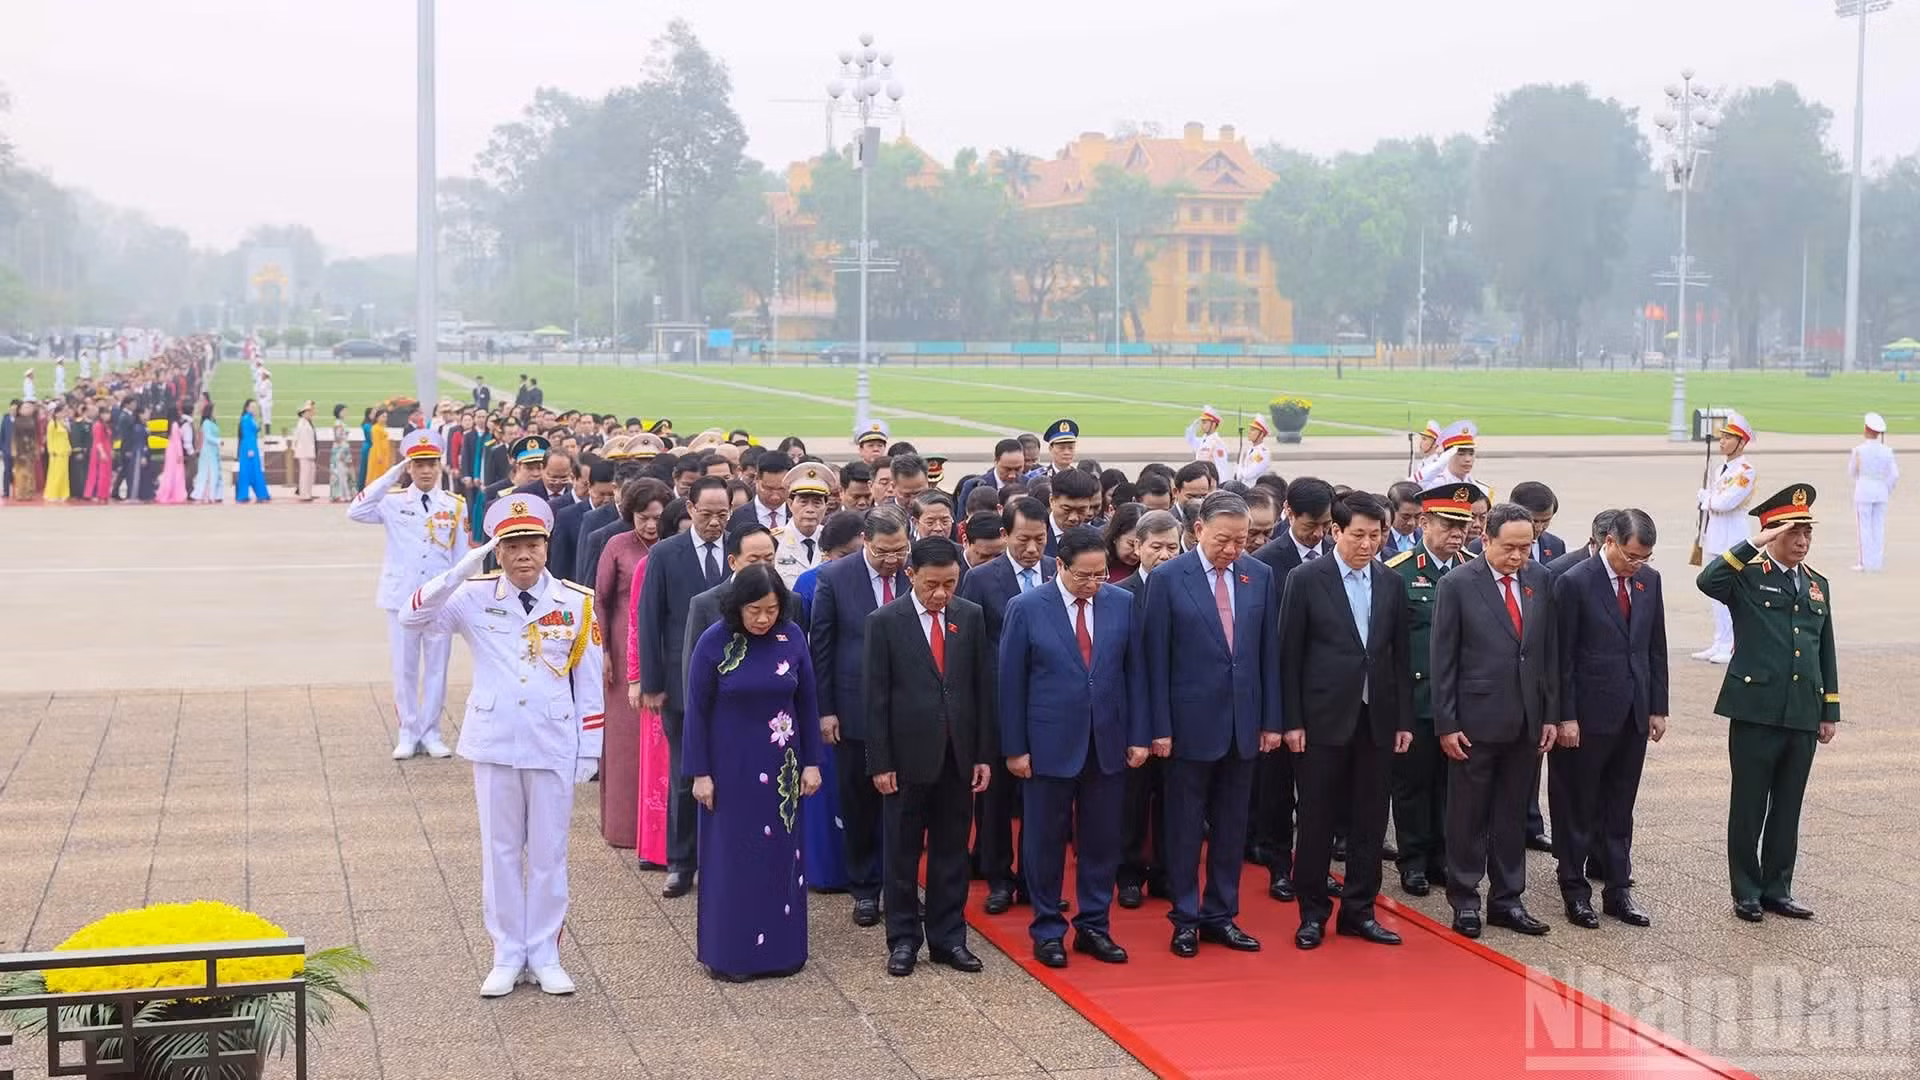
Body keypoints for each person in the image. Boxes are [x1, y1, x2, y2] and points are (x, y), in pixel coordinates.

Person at [399, 494, 603, 998]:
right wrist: (462, 566)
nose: (523, 555)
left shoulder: (576, 602)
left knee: (550, 854)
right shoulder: (473, 595)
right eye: (511, 545)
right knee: (501, 851)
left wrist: (590, 748)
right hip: (494, 741)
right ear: (498, 550)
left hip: (553, 740)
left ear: (547, 546)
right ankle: (508, 953)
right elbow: (413, 619)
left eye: (532, 543)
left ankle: (546, 953)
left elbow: (592, 681)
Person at [1000, 526, 1148, 968]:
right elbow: (1010, 683)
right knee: (1044, 841)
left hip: (1107, 740)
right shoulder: (1026, 608)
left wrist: (1139, 735)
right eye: (1084, 576)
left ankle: (1094, 926)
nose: (1094, 584)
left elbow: (1135, 674)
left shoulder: (1121, 602)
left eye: (1100, 574)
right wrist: (1015, 747)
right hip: (1048, 742)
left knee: (1102, 840)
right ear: (1059, 566)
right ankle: (1047, 928)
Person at [1142, 491, 1280, 957]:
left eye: (1241, 540)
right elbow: (1154, 660)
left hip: (1243, 722)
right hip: (1187, 724)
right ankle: (1184, 916)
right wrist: (1158, 727)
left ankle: (1221, 914)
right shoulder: (1167, 578)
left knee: (1231, 826)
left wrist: (1270, 720)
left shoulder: (1259, 575)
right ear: (1197, 530)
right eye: (1224, 540)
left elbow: (1266, 656)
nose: (1233, 549)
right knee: (1182, 828)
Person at [1278, 492, 1414, 950]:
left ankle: (1360, 910)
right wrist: (1292, 721)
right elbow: (1289, 655)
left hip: (1376, 719)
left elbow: (1398, 657)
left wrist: (1403, 721)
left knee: (1370, 821)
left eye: (1376, 536)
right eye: (1358, 535)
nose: (1368, 545)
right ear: (1335, 531)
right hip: (1321, 720)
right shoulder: (1306, 579)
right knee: (1316, 820)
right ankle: (1312, 912)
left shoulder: (1391, 582)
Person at [1696, 484, 1838, 923]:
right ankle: (1747, 891)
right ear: (1770, 533)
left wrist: (1828, 710)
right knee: (1750, 804)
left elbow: (1824, 650)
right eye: (1793, 533)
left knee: (1788, 805)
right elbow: (1708, 580)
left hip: (1801, 710)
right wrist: (1751, 543)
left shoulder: (1817, 584)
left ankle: (1779, 888)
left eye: (1807, 534)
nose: (1802, 542)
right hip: (1755, 709)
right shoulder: (1747, 575)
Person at [682, 562, 824, 981]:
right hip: (730, 767)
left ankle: (783, 951)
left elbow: (808, 701)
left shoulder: (792, 637)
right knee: (733, 858)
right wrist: (699, 773)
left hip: (783, 764)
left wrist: (813, 762)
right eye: (755, 610)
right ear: (737, 606)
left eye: (772, 610)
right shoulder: (715, 642)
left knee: (782, 855)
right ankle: (732, 954)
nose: (764, 619)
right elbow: (697, 710)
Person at [1432, 502, 1562, 940]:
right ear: (1484, 539)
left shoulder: (1540, 580)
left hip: (1525, 720)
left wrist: (1549, 714)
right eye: (1510, 547)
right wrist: (1446, 723)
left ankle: (1508, 899)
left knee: (1512, 814)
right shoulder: (1457, 584)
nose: (1518, 557)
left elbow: (1546, 654)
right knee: (1467, 815)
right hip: (1475, 720)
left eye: (1526, 548)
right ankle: (1464, 897)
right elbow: (1443, 658)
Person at [866, 537, 996, 977]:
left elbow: (981, 687)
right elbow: (876, 698)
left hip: (958, 756)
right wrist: (880, 761)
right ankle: (903, 939)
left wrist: (982, 753)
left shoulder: (970, 616)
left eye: (949, 584)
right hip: (905, 758)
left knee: (951, 851)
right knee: (902, 853)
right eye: (931, 585)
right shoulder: (885, 621)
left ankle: (949, 938)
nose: (941, 594)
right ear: (910, 576)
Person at [1552, 508, 1666, 930]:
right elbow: (1560, 658)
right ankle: (1574, 889)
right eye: (1632, 555)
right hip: (1585, 715)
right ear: (1609, 542)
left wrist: (1657, 706)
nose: (1637, 564)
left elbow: (1654, 646)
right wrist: (1564, 716)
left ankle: (1618, 889)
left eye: (1645, 558)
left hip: (1632, 712)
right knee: (1576, 806)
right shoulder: (1574, 582)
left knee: (1620, 806)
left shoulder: (1648, 581)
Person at [810, 505, 913, 927]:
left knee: (906, 805)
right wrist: (826, 710)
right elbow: (823, 648)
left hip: (909, 708)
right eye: (884, 552)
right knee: (859, 803)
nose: (893, 560)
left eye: (900, 550)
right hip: (854, 707)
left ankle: (900, 888)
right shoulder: (835, 577)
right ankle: (865, 888)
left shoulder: (918, 571)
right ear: (866, 543)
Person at [635, 475, 735, 898]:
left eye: (723, 514)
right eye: (707, 514)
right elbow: (650, 619)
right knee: (685, 771)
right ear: (690, 509)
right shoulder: (666, 554)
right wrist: (653, 683)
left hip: (734, 681)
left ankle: (725, 856)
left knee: (731, 771)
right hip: (680, 682)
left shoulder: (740, 550)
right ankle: (680, 861)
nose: (715, 522)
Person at [957, 495, 1055, 912]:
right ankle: (997, 875)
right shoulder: (981, 578)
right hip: (998, 704)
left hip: (1049, 704)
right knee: (995, 798)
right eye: (1023, 539)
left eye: (1039, 538)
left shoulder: (1057, 571)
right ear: (1005, 535)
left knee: (1041, 800)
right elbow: (968, 645)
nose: (1032, 549)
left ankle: (1036, 880)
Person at [349, 430, 469, 760]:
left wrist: (457, 598)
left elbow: (460, 557)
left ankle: (431, 732)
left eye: (431, 463)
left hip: (438, 599)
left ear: (440, 465)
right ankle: (407, 730)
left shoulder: (454, 505)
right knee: (404, 668)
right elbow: (356, 511)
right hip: (401, 596)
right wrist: (391, 474)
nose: (426, 470)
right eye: (418, 464)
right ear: (409, 467)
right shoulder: (391, 501)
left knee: (437, 668)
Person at [1386, 482, 1480, 898]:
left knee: (1453, 787)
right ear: (1424, 522)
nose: (1457, 533)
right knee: (1413, 785)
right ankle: (1414, 860)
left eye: (1463, 524)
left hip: (1462, 702)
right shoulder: (1398, 572)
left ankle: (1444, 856)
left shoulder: (1474, 570)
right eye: (1447, 524)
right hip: (1419, 699)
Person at [1248, 475, 1334, 891]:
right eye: (1309, 525)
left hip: (1326, 694)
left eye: (1324, 525)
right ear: (1289, 513)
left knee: (1321, 788)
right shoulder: (1267, 561)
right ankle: (1279, 865)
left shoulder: (1338, 555)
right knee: (1277, 789)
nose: (1317, 534)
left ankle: (1315, 867)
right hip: (1281, 690)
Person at [593, 477, 670, 850]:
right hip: (624, 655)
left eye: (657, 517)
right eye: (643, 517)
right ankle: (624, 828)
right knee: (625, 744)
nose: (651, 526)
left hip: (663, 652)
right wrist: (604, 651)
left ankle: (662, 828)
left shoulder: (672, 548)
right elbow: (601, 601)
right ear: (631, 515)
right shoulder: (617, 545)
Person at [1694, 411, 1755, 665]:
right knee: (1715, 592)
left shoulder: (1746, 470)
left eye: (1729, 438)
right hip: (1715, 535)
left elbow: (1727, 502)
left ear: (1741, 443)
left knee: (1730, 593)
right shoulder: (1721, 468)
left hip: (1732, 536)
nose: (1722, 442)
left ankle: (1731, 645)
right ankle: (1719, 641)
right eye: (1722, 437)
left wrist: (1706, 499)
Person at [1848, 412, 1898, 573]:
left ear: (1866, 429)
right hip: (1881, 490)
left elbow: (1853, 471)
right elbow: (1894, 474)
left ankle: (1865, 562)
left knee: (1864, 527)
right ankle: (1876, 561)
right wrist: (1887, 488)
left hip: (1864, 489)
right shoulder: (1887, 451)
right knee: (1878, 526)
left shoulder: (1859, 450)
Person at [770, 462, 832, 586]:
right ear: (789, 504)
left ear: (826, 507)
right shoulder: (774, 540)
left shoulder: (833, 539)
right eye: (803, 502)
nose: (810, 509)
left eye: (817, 503)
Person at [234, 399, 269, 503]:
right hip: (248, 447)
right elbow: (246, 435)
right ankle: (244, 494)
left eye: (255, 407)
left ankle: (261, 494)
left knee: (255, 471)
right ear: (247, 408)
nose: (254, 409)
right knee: (247, 471)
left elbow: (256, 430)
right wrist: (249, 449)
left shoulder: (251, 419)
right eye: (252, 407)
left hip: (253, 446)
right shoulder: (246, 419)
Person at [153, 406, 190, 504]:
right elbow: (177, 441)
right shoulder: (175, 425)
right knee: (176, 473)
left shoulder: (170, 424)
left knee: (169, 472)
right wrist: (179, 454)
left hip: (170, 450)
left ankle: (168, 492)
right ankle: (175, 493)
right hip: (175, 451)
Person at [191, 403, 222, 503]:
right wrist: (218, 441)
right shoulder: (206, 423)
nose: (216, 413)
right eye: (214, 411)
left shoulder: (212, 422)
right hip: (207, 452)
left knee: (213, 473)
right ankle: (204, 495)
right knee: (208, 473)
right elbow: (208, 437)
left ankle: (211, 495)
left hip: (213, 451)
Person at [1186, 405, 1230, 472]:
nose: (1201, 425)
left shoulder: (1217, 443)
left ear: (1214, 424)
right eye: (1201, 422)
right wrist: (1193, 427)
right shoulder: (1203, 440)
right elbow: (1190, 439)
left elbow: (1221, 467)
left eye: (1204, 423)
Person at [42, 404, 71, 502]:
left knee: (64, 474)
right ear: (57, 413)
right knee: (55, 474)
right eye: (62, 412)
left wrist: (69, 448)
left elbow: (66, 438)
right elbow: (50, 438)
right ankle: (53, 493)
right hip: (56, 452)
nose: (64, 414)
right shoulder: (52, 424)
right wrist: (51, 450)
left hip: (64, 452)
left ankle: (63, 493)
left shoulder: (63, 423)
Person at [329, 404, 356, 502]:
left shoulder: (341, 423)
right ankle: (340, 495)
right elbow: (338, 439)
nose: (346, 413)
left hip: (344, 448)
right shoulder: (338, 423)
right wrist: (341, 452)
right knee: (340, 473)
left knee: (345, 473)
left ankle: (346, 494)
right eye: (344, 411)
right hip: (340, 450)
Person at [293, 401, 318, 501]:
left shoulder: (307, 422)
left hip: (308, 453)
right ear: (303, 413)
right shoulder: (302, 424)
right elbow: (305, 442)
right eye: (308, 412)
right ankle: (304, 494)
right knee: (305, 475)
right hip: (305, 453)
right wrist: (311, 454)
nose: (310, 413)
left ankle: (308, 493)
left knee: (309, 474)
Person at [1236, 415, 1272, 483]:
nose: (1249, 432)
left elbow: (1249, 474)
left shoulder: (1262, 453)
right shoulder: (1250, 450)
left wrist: (1240, 472)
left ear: (1261, 434)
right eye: (1250, 429)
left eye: (1253, 430)